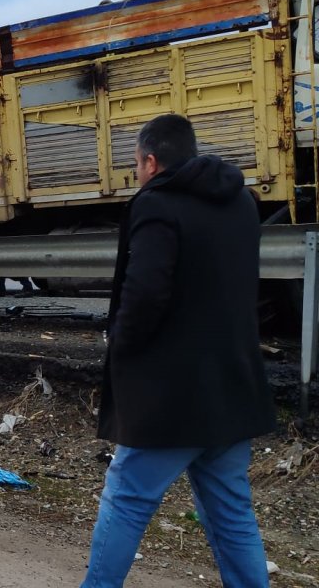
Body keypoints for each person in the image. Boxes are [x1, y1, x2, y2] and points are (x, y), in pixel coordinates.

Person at [82, 114, 275, 587]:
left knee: (126, 499)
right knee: (231, 513)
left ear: (150, 160)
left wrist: (120, 346)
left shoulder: (157, 205)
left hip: (172, 398)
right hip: (233, 387)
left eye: (136, 165)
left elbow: (144, 293)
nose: (138, 173)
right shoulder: (242, 203)